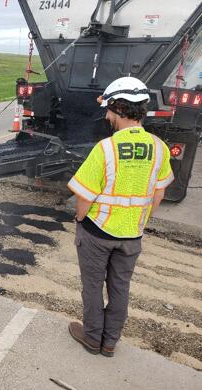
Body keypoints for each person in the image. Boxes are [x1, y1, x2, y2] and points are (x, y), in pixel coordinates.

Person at [67, 77, 174, 357]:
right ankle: (110, 342)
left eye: (108, 109)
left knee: (92, 288)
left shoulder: (106, 148)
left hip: (97, 232)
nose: (106, 115)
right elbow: (158, 195)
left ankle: (92, 339)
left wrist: (80, 220)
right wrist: (140, 221)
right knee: (120, 289)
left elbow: (84, 196)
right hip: (132, 235)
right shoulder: (160, 148)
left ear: (118, 108)